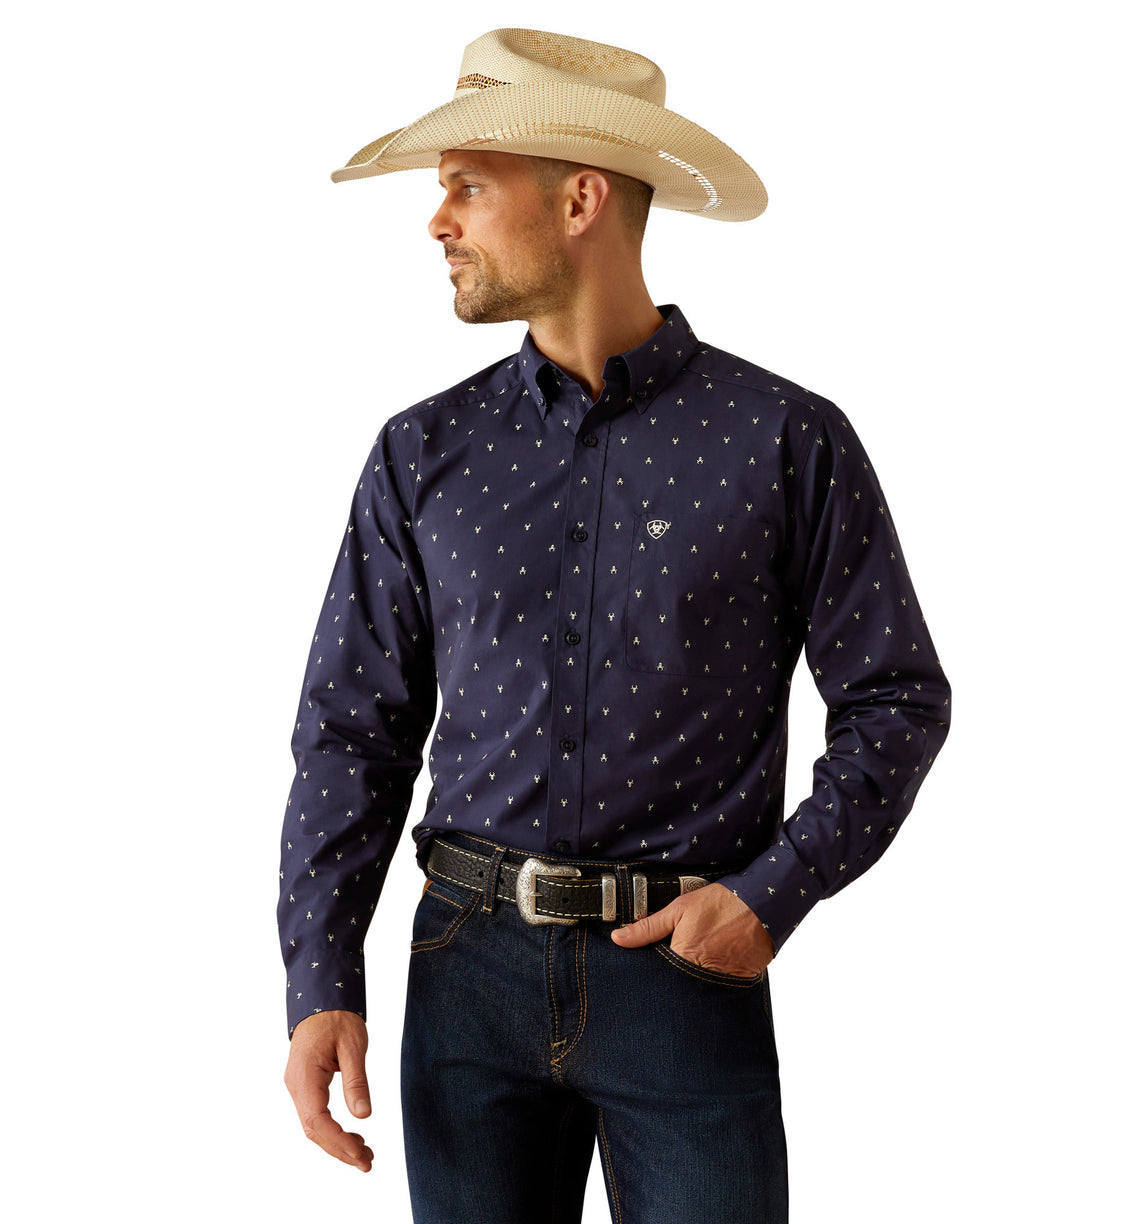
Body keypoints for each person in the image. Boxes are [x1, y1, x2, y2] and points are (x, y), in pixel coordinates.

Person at [279, 27, 950, 1224]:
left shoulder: (784, 440)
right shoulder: (422, 453)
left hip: (683, 974)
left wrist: (774, 891)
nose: (438, 221)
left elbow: (897, 698)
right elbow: (351, 732)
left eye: (467, 187)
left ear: (580, 198)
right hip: (466, 978)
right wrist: (320, 980)